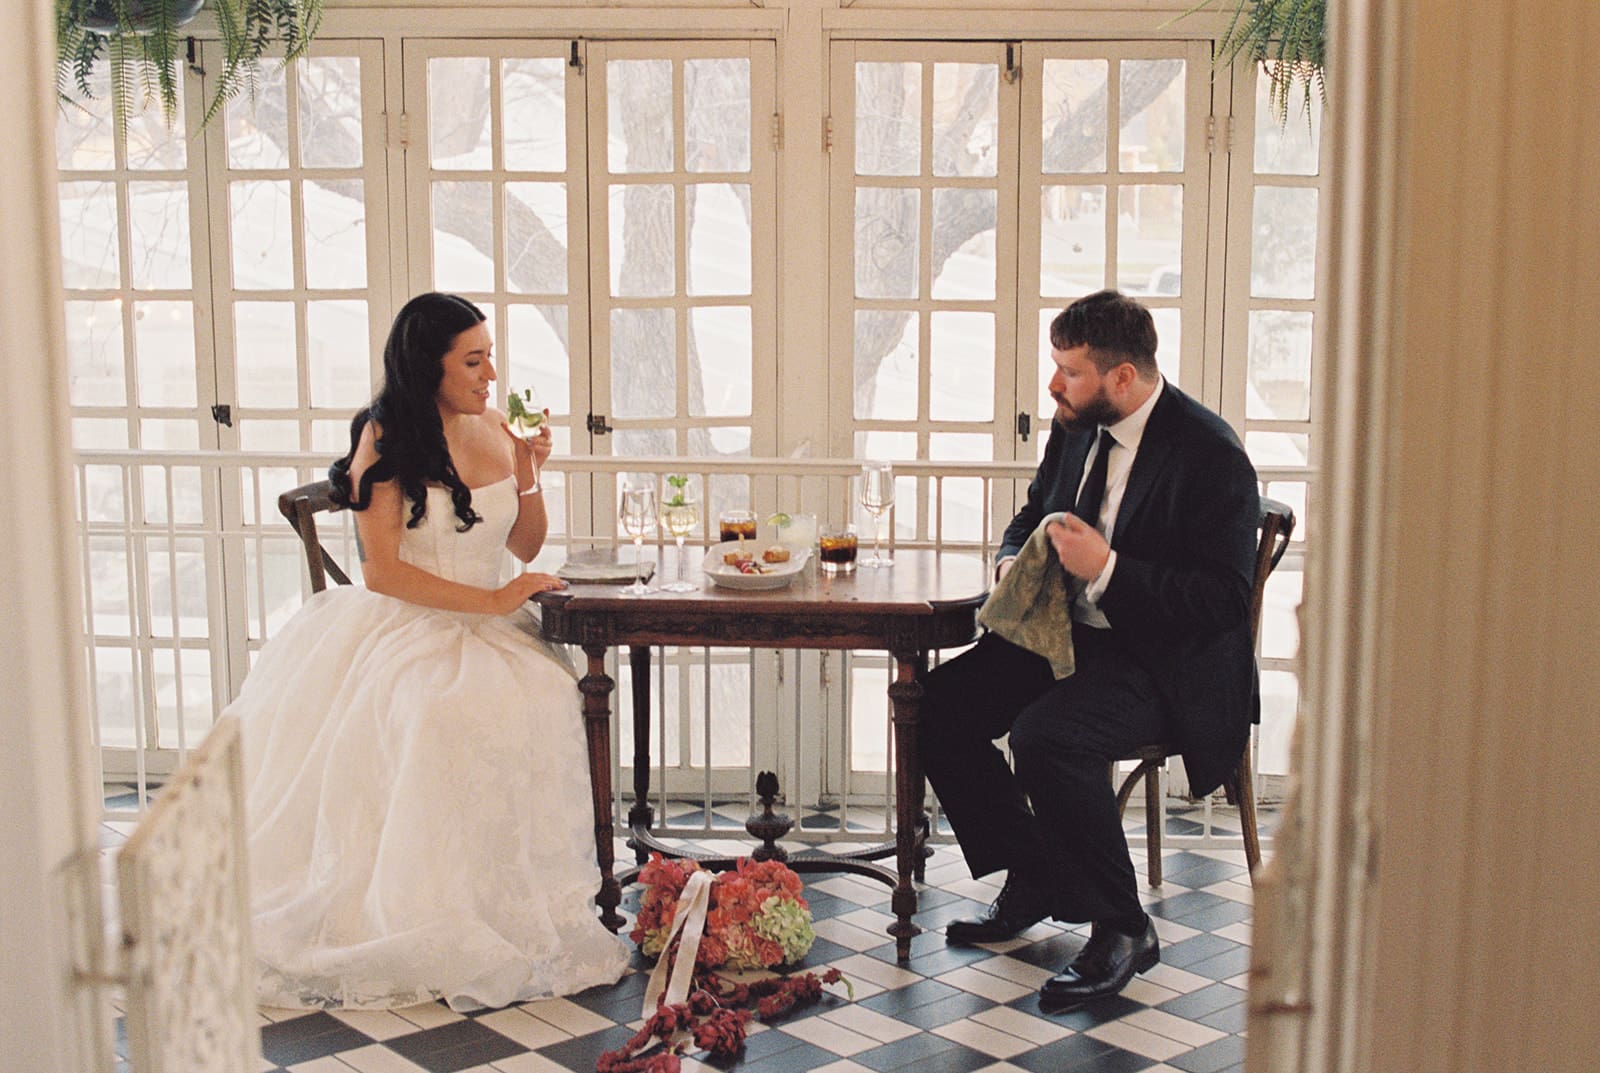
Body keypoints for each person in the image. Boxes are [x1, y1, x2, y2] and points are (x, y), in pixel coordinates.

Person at [231, 292, 629, 1011]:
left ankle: (509, 897)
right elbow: (383, 570)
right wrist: (497, 603)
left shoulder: (494, 423)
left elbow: (524, 545)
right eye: (472, 360)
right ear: (430, 366)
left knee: (548, 693)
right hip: (407, 625)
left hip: (490, 625)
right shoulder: (386, 436)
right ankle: (420, 908)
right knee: (441, 711)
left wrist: (531, 468)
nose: (489, 372)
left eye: (490, 355)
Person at [919, 290, 1259, 1009]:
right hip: (1072, 639)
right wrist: (1014, 558)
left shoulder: (1211, 454)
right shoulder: (1076, 425)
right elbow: (1033, 510)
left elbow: (1223, 601)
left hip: (1168, 662)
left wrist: (1108, 568)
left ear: (1123, 378)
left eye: (1068, 370)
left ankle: (1124, 926)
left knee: (1046, 735)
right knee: (936, 705)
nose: (1053, 385)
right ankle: (1038, 868)